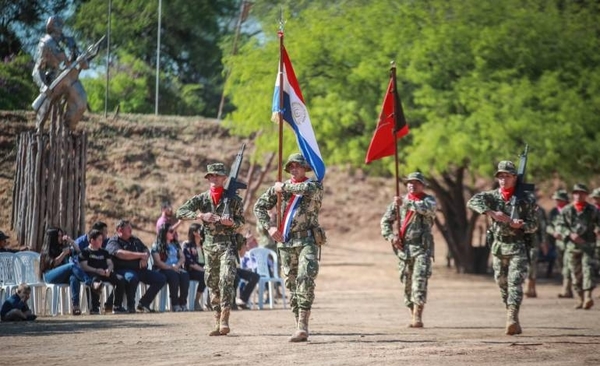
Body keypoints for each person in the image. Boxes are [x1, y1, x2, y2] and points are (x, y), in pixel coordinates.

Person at [254, 153, 325, 342]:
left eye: (298, 166)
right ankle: (298, 325)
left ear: (305, 168)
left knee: (305, 278)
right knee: (292, 285)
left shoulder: (314, 186)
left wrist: (282, 187)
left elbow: (306, 189)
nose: (294, 169)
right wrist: (269, 227)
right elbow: (258, 206)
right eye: (291, 166)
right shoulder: (278, 189)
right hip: (286, 243)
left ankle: (303, 325)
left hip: (307, 242)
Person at [467, 161, 538, 335]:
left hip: (517, 246)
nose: (503, 179)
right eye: (500, 176)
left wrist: (520, 225)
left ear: (515, 177)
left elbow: (534, 225)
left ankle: (512, 317)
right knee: (501, 281)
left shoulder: (526, 199)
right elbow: (472, 202)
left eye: (507, 176)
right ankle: (510, 311)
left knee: (515, 282)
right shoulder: (492, 196)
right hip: (498, 246)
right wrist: (492, 213)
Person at [176, 162, 245, 336]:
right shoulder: (202, 199)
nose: (214, 179)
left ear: (224, 178)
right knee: (212, 283)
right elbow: (180, 212)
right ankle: (216, 319)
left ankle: (225, 319)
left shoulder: (234, 200)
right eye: (211, 176)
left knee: (226, 278)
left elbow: (241, 223)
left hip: (227, 244)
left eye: (217, 176)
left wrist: (232, 223)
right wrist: (200, 215)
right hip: (209, 246)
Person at [380, 172, 436, 328]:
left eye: (416, 182)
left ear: (423, 185)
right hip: (404, 249)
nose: (412, 185)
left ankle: (418, 315)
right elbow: (385, 221)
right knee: (406, 282)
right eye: (409, 182)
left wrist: (404, 203)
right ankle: (412, 311)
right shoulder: (399, 203)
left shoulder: (428, 200)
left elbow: (426, 209)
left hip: (422, 248)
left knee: (419, 281)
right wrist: (391, 236)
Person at [31, 15, 88, 130]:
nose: (60, 26)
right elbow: (37, 70)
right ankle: (39, 134)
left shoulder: (70, 41)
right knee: (44, 110)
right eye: (57, 24)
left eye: (61, 24)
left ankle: (68, 129)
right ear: (50, 26)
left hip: (71, 79)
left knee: (81, 104)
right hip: (55, 80)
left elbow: (84, 64)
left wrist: (82, 60)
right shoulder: (45, 44)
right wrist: (43, 86)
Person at [106, 220, 166, 313]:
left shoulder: (135, 239)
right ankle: (131, 306)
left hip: (140, 270)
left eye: (131, 227)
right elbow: (120, 254)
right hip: (123, 270)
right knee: (132, 278)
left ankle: (144, 303)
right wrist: (140, 255)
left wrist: (145, 258)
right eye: (128, 228)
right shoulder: (113, 241)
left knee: (160, 278)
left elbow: (146, 249)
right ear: (120, 230)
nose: (131, 229)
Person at [556, 184, 600, 310]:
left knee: (588, 269)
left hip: (588, 245)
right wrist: (570, 234)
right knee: (575, 274)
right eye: (576, 193)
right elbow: (560, 225)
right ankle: (580, 298)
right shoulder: (567, 210)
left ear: (586, 195)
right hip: (572, 246)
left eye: (581, 193)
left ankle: (588, 297)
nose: (578, 195)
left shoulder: (593, 210)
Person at [39, 227, 94, 315]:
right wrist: (63, 254)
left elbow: (80, 253)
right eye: (59, 236)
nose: (61, 238)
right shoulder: (46, 250)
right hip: (49, 275)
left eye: (61, 235)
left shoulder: (62, 248)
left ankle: (75, 306)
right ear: (52, 238)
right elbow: (53, 263)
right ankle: (90, 283)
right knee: (72, 266)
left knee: (73, 278)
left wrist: (72, 242)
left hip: (62, 276)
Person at [79, 229, 127, 315]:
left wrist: (109, 270)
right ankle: (95, 307)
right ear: (92, 240)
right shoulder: (85, 252)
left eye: (102, 239)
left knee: (120, 280)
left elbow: (110, 263)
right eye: (99, 239)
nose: (102, 241)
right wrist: (96, 270)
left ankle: (116, 306)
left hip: (105, 273)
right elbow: (84, 266)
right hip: (92, 273)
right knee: (96, 282)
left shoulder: (104, 252)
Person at [151, 223, 190, 312]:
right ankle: (175, 304)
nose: (173, 233)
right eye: (171, 231)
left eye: (173, 231)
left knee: (185, 275)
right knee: (173, 276)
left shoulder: (175, 244)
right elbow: (158, 262)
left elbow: (182, 257)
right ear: (164, 233)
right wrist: (171, 267)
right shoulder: (156, 245)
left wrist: (177, 265)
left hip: (175, 268)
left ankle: (183, 303)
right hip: (163, 269)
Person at [546, 189, 572, 298]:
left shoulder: (571, 210)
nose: (556, 201)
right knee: (561, 265)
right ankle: (567, 288)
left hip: (571, 243)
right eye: (555, 199)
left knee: (569, 265)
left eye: (558, 199)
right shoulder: (553, 212)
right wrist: (553, 232)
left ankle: (568, 289)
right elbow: (548, 226)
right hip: (558, 243)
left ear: (565, 200)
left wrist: (566, 234)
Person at [182, 223, 207, 311]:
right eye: (201, 230)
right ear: (194, 233)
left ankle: (211, 302)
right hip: (191, 271)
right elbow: (190, 263)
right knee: (205, 276)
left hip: (203, 269)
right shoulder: (187, 245)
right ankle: (196, 300)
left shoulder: (204, 245)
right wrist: (203, 270)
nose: (204, 232)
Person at [524, 202, 548, 298]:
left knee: (532, 262)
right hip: (519, 240)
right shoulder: (515, 206)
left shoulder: (538, 209)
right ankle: (531, 288)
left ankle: (529, 285)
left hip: (534, 240)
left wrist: (544, 242)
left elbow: (542, 227)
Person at [234, 234, 261, 310]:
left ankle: (242, 300)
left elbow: (241, 255)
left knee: (255, 276)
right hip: (227, 268)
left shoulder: (239, 239)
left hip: (235, 268)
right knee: (236, 278)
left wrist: (244, 243)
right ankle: (232, 302)